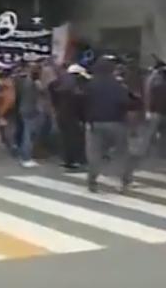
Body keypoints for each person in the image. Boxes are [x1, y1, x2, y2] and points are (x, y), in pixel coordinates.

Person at [82, 57, 134, 194]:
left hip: (96, 123)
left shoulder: (91, 85)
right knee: (122, 153)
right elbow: (126, 102)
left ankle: (92, 181)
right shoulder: (118, 86)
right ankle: (124, 183)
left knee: (95, 154)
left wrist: (87, 118)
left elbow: (82, 101)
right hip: (117, 122)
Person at [51, 64, 89, 170]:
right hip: (74, 115)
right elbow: (81, 102)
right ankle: (78, 160)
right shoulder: (77, 85)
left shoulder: (59, 82)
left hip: (61, 114)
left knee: (65, 138)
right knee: (77, 139)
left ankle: (67, 160)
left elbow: (52, 92)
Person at [15, 63, 44, 168]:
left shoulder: (23, 81)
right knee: (28, 135)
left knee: (26, 133)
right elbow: (41, 93)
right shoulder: (34, 83)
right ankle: (26, 158)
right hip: (31, 110)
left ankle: (24, 156)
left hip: (23, 108)